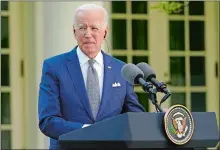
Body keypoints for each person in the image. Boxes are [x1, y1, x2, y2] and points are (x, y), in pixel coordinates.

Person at [38, 4, 145, 150]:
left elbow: (135, 117)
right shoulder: (54, 67)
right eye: (82, 27)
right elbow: (48, 121)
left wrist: (159, 121)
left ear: (105, 32)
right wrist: (88, 131)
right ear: (74, 31)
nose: (88, 34)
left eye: (94, 28)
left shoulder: (120, 69)